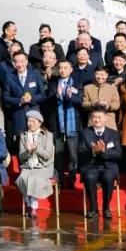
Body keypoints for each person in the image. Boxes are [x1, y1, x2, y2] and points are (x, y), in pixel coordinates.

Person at [78, 109, 121, 219]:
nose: (97, 120)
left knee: (108, 177)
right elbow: (80, 152)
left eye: (99, 117)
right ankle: (94, 209)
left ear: (105, 118)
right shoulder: (84, 133)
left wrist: (104, 151)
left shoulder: (114, 134)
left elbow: (118, 153)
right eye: (94, 117)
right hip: (91, 166)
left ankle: (106, 208)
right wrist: (92, 150)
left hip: (108, 166)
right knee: (90, 177)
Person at [15, 109, 55, 220]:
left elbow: (47, 156)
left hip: (43, 167)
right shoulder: (23, 135)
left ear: (39, 122)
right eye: (29, 121)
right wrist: (28, 151)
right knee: (22, 179)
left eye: (33, 121)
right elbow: (21, 157)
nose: (31, 124)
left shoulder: (48, 135)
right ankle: (28, 204)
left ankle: (33, 208)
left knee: (35, 179)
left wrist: (37, 148)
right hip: (28, 166)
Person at [49, 60, 82, 189]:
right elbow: (48, 98)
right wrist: (57, 95)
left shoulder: (77, 83)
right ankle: (60, 181)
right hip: (58, 125)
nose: (62, 70)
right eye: (60, 68)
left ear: (71, 70)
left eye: (65, 68)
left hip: (73, 125)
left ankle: (72, 180)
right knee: (59, 155)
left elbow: (79, 100)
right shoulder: (53, 83)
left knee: (73, 155)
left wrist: (69, 96)